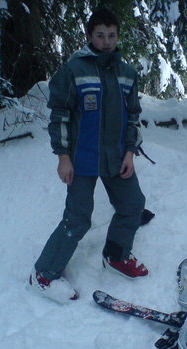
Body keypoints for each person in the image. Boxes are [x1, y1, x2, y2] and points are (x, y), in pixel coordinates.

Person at [29, 7, 149, 303]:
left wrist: (130, 152)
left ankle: (116, 255)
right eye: (100, 35)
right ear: (89, 37)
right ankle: (43, 275)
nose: (106, 41)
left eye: (111, 35)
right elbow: (60, 115)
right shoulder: (74, 70)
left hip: (116, 157)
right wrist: (63, 156)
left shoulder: (127, 73)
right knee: (78, 218)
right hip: (81, 158)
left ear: (118, 36)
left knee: (132, 204)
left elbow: (133, 115)